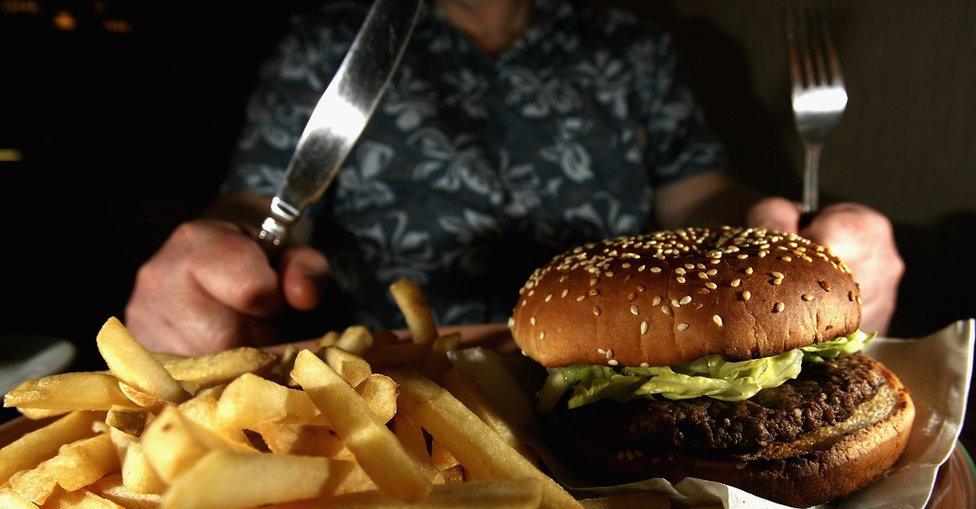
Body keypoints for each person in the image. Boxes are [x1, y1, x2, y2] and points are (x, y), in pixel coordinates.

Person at [126, 0, 903, 355]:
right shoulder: (331, 40)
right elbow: (261, 200)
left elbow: (701, 195)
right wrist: (213, 260)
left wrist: (786, 240)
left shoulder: (632, 45)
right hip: (389, 380)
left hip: (607, 379)